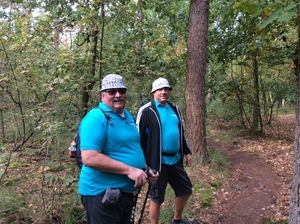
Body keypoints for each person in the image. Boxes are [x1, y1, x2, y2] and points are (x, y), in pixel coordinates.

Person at [78, 74, 159, 224]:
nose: (118, 95)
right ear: (103, 96)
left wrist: (145, 170)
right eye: (112, 91)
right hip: (101, 192)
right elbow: (89, 157)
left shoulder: (127, 116)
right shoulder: (96, 118)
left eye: (121, 91)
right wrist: (130, 170)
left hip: (126, 193)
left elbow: (129, 147)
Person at [136, 77, 197, 224]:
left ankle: (177, 220)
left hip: (175, 160)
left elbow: (180, 133)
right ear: (153, 92)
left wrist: (187, 151)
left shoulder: (174, 109)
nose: (163, 92)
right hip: (157, 163)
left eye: (166, 89)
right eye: (160, 89)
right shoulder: (146, 110)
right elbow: (139, 139)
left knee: (185, 191)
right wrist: (144, 165)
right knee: (157, 198)